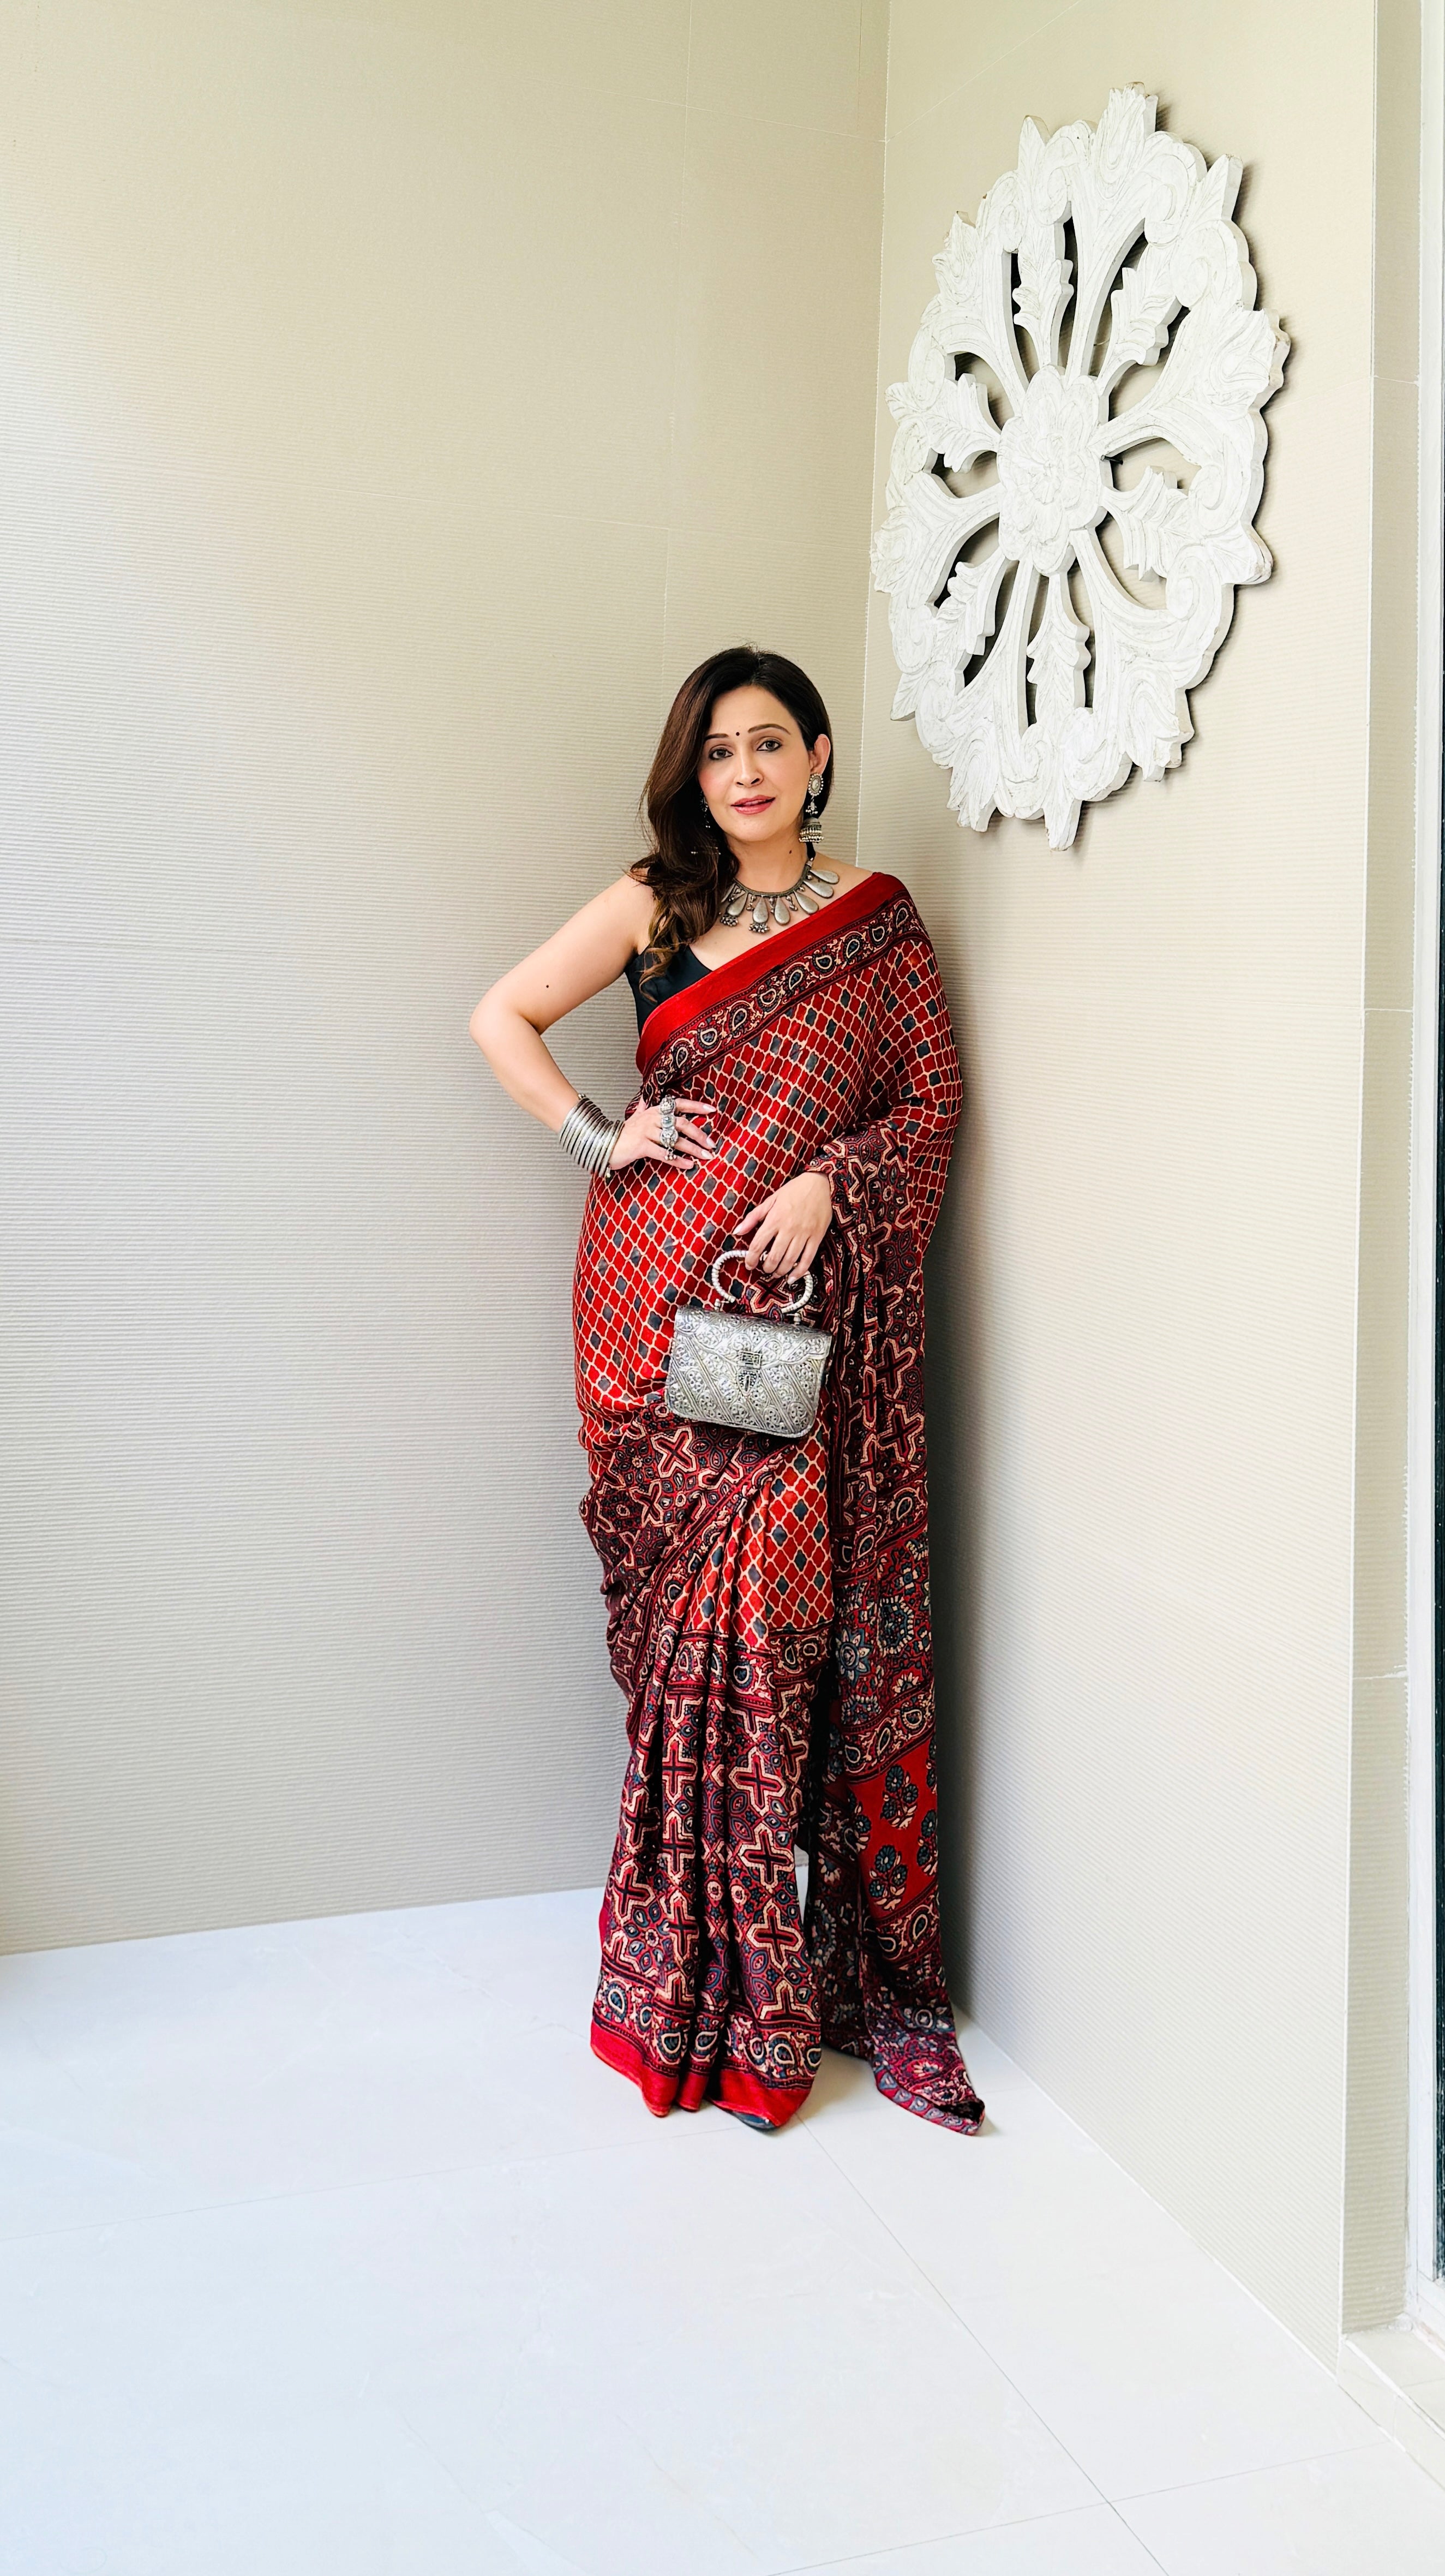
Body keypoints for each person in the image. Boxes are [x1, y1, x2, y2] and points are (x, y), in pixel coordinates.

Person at [470, 644, 983, 2136]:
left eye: (768, 743)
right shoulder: (657, 902)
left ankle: (763, 1985)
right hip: (650, 1297)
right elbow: (502, 1016)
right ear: (691, 775)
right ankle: (692, 1981)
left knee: (764, 1634)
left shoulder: (878, 924)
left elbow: (931, 1104)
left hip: (780, 1327)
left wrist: (833, 1181)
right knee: (688, 1636)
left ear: (819, 756)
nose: (743, 772)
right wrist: (601, 1135)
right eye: (715, 750)